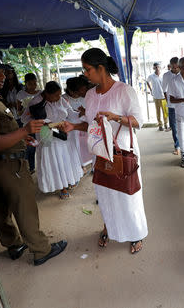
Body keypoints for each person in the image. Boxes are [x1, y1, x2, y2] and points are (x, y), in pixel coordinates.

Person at [0, 48, 67, 266]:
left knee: (2, 205)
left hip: (3, 162)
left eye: (3, 71)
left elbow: (1, 132)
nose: (3, 76)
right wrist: (24, 131)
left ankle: (13, 243)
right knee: (25, 205)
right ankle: (41, 249)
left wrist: (21, 138)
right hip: (8, 164)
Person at [61, 48, 148, 254]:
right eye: (84, 70)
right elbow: (92, 125)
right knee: (106, 193)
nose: (85, 74)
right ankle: (109, 226)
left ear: (101, 68)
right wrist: (74, 126)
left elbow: (138, 122)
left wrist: (115, 117)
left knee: (127, 194)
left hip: (122, 152)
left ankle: (136, 233)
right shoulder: (90, 95)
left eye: (87, 69)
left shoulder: (124, 90)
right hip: (99, 153)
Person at [22, 81, 83, 200]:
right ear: (47, 94)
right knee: (54, 160)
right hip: (46, 133)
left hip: (62, 131)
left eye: (60, 95)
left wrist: (81, 114)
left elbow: (70, 113)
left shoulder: (61, 100)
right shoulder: (35, 102)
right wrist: (44, 123)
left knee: (65, 157)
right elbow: (24, 119)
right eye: (55, 95)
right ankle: (61, 187)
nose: (58, 98)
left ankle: (68, 180)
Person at [63, 76, 93, 171]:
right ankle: (79, 165)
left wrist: (85, 112)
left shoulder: (84, 96)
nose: (78, 94)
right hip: (71, 127)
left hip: (84, 125)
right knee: (75, 148)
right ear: (70, 91)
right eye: (76, 93)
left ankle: (89, 163)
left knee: (87, 146)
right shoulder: (63, 99)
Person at [17, 73, 41, 173]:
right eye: (30, 84)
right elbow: (19, 111)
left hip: (39, 123)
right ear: (25, 83)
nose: (33, 86)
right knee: (29, 146)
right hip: (27, 124)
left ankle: (38, 167)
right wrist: (27, 110)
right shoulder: (21, 94)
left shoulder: (40, 93)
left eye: (34, 83)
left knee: (40, 145)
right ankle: (29, 168)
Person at [162, 57, 180, 155]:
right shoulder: (166, 76)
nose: (175, 69)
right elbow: (164, 90)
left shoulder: (183, 74)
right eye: (173, 67)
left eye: (176, 67)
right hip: (172, 105)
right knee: (174, 126)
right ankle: (177, 145)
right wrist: (168, 101)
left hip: (182, 105)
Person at [146, 62, 168, 131]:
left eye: (158, 67)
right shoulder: (151, 76)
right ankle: (160, 125)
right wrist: (151, 89)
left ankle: (166, 124)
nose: (157, 68)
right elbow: (147, 81)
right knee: (158, 111)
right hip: (156, 96)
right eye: (155, 67)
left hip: (163, 96)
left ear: (160, 67)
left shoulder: (163, 75)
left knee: (165, 111)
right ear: (153, 68)